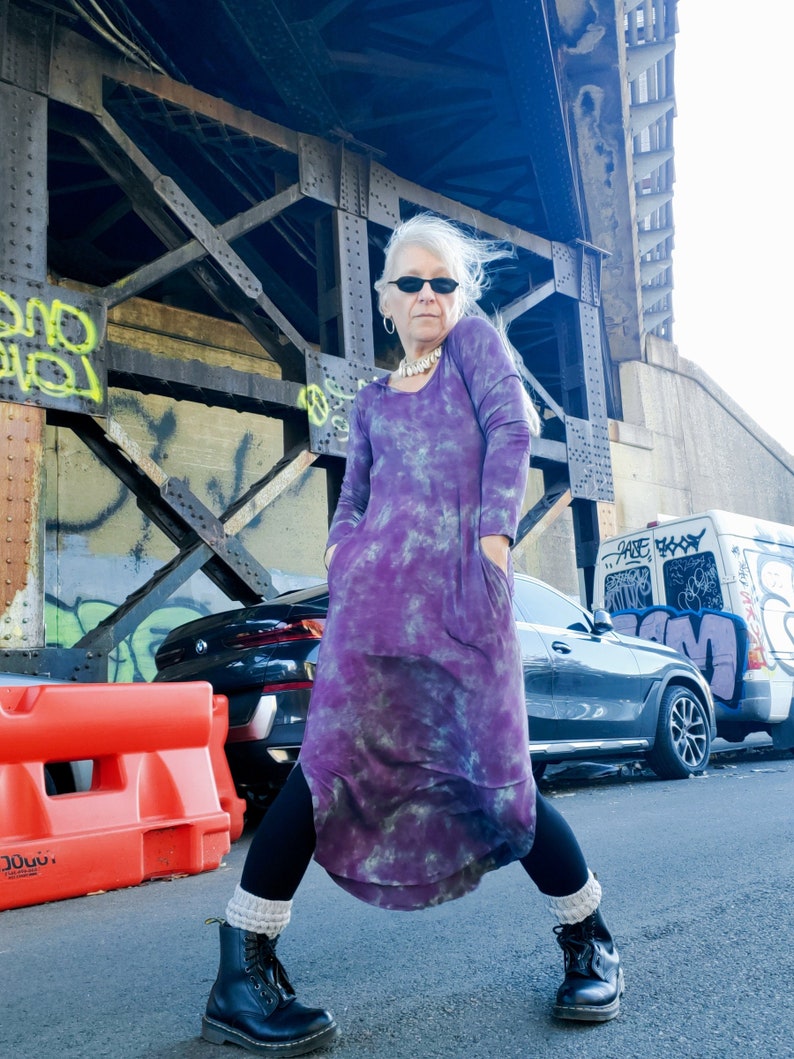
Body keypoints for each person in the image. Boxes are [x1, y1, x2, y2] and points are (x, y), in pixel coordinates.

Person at [201, 213, 624, 1055]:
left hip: (465, 605)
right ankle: (241, 972)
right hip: (371, 618)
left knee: (499, 775)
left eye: (443, 281)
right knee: (324, 771)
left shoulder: (474, 349)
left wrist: (494, 543)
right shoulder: (368, 402)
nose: (429, 294)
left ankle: (590, 939)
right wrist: (343, 552)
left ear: (458, 293)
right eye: (411, 283)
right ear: (385, 299)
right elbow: (353, 496)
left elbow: (516, 429)